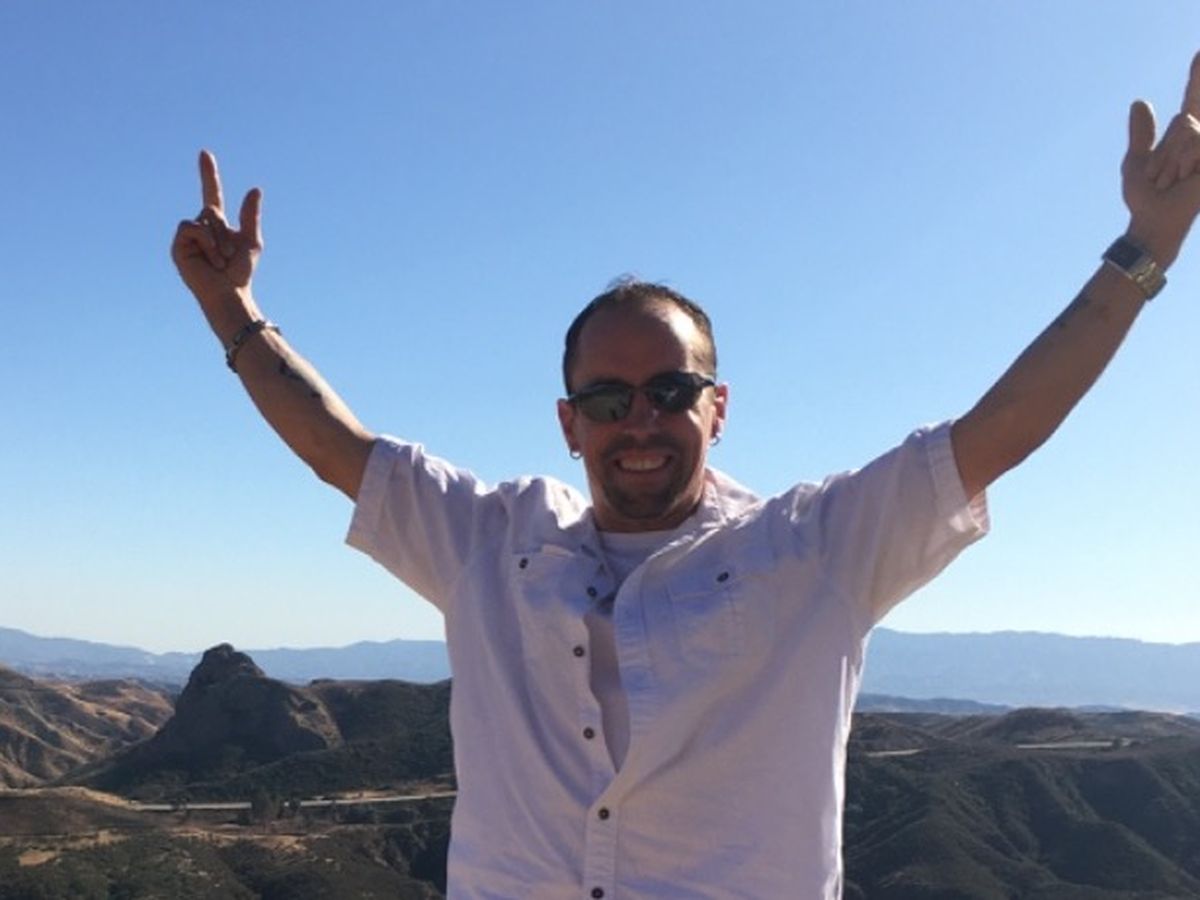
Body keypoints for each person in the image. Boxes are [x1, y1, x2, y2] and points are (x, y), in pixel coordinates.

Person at [172, 54, 1200, 900]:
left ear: (718, 407)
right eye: (608, 398)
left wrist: (1146, 247)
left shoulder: (813, 548)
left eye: (671, 389)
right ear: (569, 423)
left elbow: (998, 432)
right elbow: (337, 446)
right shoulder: (492, 539)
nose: (641, 420)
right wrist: (231, 311)